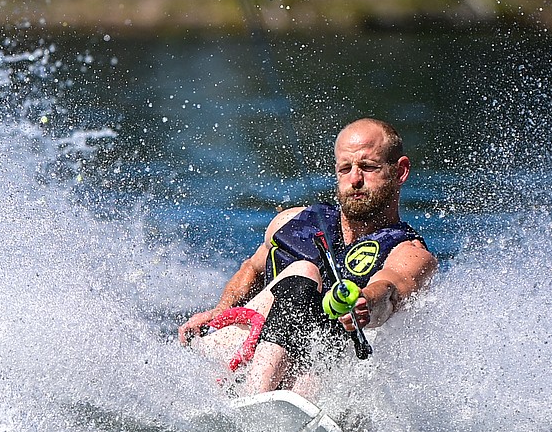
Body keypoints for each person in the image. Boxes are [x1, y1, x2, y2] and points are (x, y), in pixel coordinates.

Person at [178, 118, 437, 393]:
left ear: (400, 171)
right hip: (235, 353)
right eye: (345, 169)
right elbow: (251, 269)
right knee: (304, 271)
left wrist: (365, 303)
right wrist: (222, 309)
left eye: (368, 167)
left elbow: (390, 291)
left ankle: (266, 402)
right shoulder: (290, 221)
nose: (355, 180)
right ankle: (254, 395)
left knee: (314, 373)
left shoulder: (410, 253)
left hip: (304, 380)